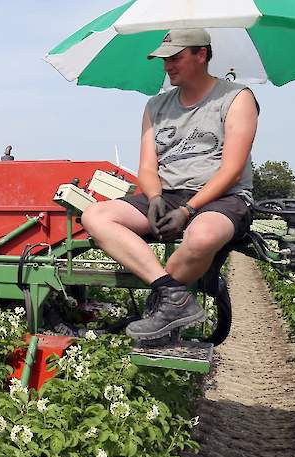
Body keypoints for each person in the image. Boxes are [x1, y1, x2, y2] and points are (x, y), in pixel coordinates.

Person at [80, 28, 259, 341]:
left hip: (224, 198)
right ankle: (173, 297)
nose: (167, 66)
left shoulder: (236, 98)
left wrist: (189, 209)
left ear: (201, 54)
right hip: (169, 194)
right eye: (164, 59)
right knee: (95, 216)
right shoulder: (156, 106)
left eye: (175, 58)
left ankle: (163, 306)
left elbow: (231, 170)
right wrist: (154, 197)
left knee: (202, 237)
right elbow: (148, 167)